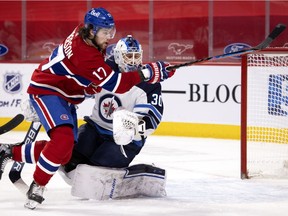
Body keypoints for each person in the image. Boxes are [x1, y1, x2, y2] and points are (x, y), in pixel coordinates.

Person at [0, 7, 175, 210]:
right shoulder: (88, 55)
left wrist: (135, 126)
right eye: (105, 32)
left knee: (64, 153)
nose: (109, 36)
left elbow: (86, 79)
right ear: (91, 30)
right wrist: (149, 72)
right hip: (50, 90)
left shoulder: (86, 37)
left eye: (111, 31)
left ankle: (8, 151)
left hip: (64, 94)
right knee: (64, 141)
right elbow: (115, 84)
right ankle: (38, 185)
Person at [63, 34, 163, 174]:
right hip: (95, 129)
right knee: (69, 158)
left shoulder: (148, 83)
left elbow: (152, 120)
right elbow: (76, 87)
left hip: (125, 141)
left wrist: (131, 129)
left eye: (136, 56)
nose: (133, 62)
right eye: (128, 56)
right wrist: (49, 97)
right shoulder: (102, 70)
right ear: (118, 56)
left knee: (98, 169)